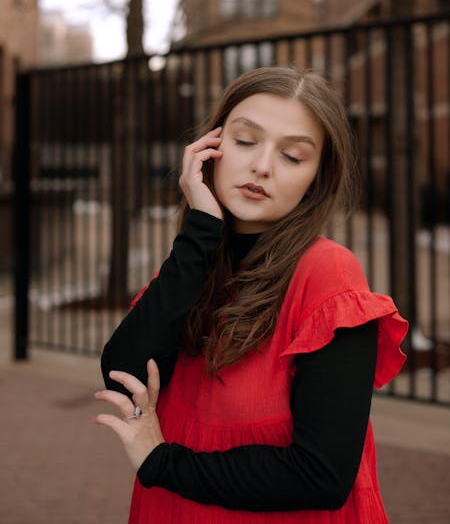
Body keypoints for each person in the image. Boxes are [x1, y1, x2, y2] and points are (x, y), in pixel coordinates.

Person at [95, 67, 408, 524]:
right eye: (245, 141)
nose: (262, 165)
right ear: (210, 149)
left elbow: (321, 474)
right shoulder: (196, 263)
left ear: (316, 179)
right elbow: (123, 375)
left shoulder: (327, 275)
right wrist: (201, 231)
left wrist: (164, 462)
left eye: (293, 156)